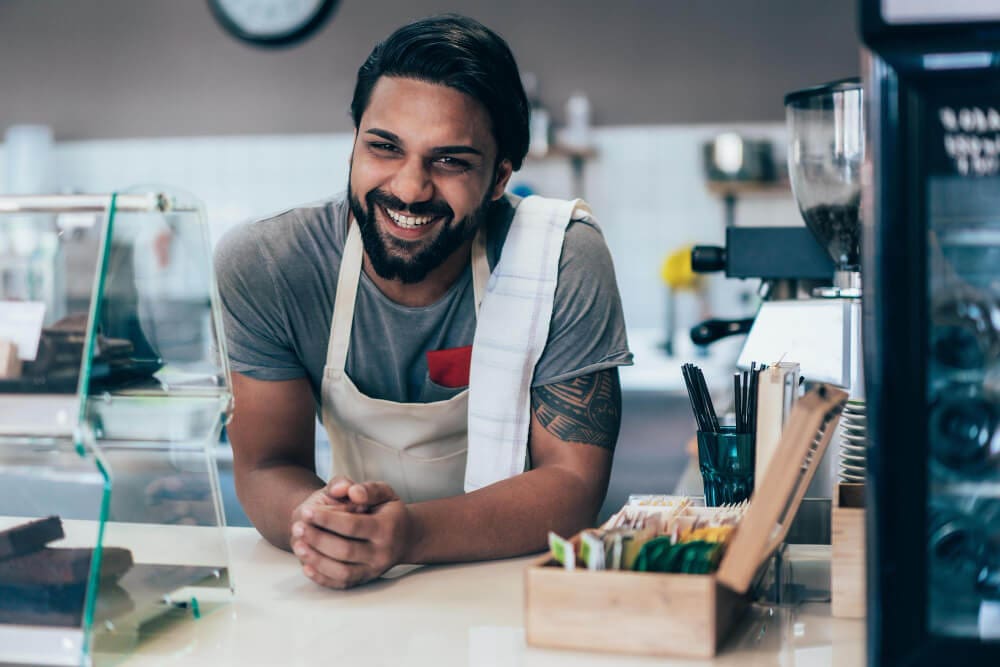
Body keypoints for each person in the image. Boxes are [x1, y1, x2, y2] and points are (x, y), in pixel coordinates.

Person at [214, 14, 632, 590]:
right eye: (384, 147)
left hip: (515, 586)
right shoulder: (269, 264)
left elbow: (573, 485)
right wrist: (322, 527)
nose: (410, 188)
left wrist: (406, 535)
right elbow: (266, 465)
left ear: (498, 178)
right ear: (355, 141)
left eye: (449, 160)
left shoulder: (561, 257)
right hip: (357, 594)